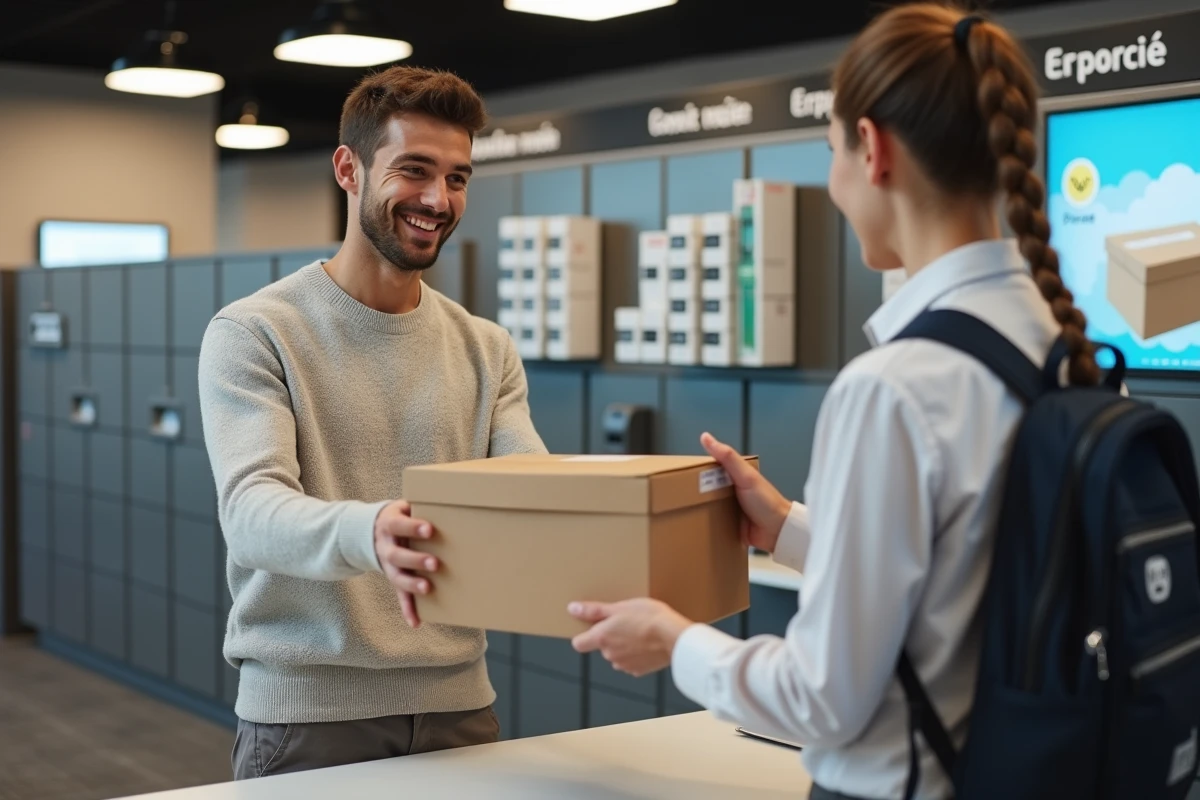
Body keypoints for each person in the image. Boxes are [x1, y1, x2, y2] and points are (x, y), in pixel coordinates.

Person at [567, 6, 1098, 800]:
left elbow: (825, 696)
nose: (834, 181)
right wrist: (788, 527)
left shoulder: (895, 386)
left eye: (831, 151)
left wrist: (676, 643)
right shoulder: (1070, 351)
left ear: (873, 149)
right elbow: (977, 577)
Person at [198, 66, 546, 780]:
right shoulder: (257, 332)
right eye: (414, 170)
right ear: (348, 169)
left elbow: (529, 491)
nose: (437, 199)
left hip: (460, 709)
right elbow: (252, 513)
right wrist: (372, 529)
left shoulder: (486, 347)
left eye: (457, 178)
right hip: (308, 718)